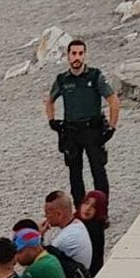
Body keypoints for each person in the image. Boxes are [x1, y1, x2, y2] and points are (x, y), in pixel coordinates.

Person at [45, 37, 120, 206]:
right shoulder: (62, 79)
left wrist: (112, 128)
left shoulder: (95, 76)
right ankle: (80, 211)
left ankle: (101, 212)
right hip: (72, 132)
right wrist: (52, 121)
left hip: (92, 131)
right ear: (68, 56)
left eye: (80, 53)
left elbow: (113, 100)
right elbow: (49, 100)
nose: (77, 57)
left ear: (85, 55)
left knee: (98, 171)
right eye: (73, 53)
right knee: (75, 174)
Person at [41, 190, 95, 278]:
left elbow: (42, 262)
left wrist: (38, 237)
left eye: (47, 213)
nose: (45, 216)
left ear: (59, 214)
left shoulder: (64, 239)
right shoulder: (78, 224)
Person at [79, 188, 110, 278]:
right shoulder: (77, 222)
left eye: (93, 206)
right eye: (87, 203)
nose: (88, 208)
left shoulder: (94, 229)